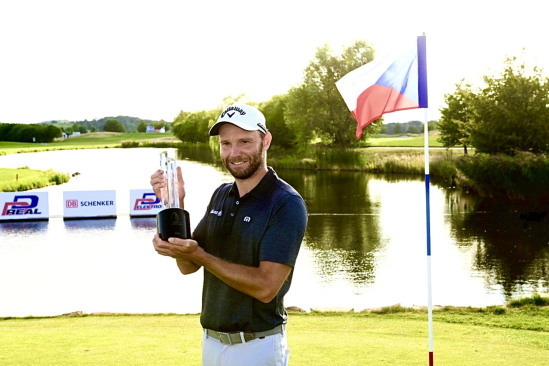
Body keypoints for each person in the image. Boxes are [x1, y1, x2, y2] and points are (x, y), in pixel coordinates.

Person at [150, 103, 308, 366]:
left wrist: (200, 255)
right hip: (211, 343)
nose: (234, 153)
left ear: (265, 141)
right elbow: (188, 265)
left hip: (256, 348)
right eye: (226, 144)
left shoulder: (285, 203)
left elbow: (266, 287)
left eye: (245, 141)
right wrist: (174, 205)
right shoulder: (221, 194)